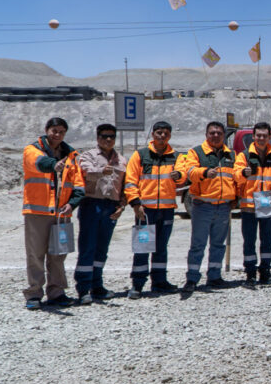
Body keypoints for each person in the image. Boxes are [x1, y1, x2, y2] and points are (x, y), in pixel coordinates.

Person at [22, 117, 84, 309]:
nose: (57, 135)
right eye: (54, 131)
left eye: (61, 132)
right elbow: (39, 163)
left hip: (62, 213)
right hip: (37, 212)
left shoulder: (71, 155)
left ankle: (57, 292)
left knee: (58, 254)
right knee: (36, 254)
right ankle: (34, 293)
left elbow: (78, 185)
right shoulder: (32, 150)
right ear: (46, 130)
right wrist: (54, 165)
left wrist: (72, 205)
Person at [124, 121, 183, 298]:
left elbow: (183, 176)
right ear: (153, 134)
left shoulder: (176, 156)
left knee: (161, 247)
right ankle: (137, 284)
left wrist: (179, 176)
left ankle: (159, 281)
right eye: (159, 132)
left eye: (166, 133)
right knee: (142, 247)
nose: (162, 136)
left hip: (167, 209)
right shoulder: (140, 155)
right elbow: (130, 181)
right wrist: (135, 204)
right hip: (145, 211)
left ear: (170, 135)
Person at [177, 121, 237, 292]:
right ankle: (192, 278)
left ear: (224, 135)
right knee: (198, 244)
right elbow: (189, 172)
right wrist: (204, 172)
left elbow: (236, 178)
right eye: (212, 133)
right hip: (203, 206)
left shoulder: (231, 154)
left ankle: (214, 277)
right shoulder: (196, 152)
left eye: (219, 133)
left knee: (218, 245)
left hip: (223, 207)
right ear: (206, 135)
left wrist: (236, 197)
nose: (216, 135)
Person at [74, 123, 128, 304]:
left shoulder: (121, 160)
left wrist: (122, 205)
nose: (108, 139)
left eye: (112, 136)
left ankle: (97, 285)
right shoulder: (88, 156)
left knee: (102, 248)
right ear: (98, 138)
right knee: (87, 246)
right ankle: (83, 288)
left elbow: (125, 184)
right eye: (104, 136)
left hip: (111, 206)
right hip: (92, 204)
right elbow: (85, 172)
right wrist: (101, 171)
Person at [234, 122, 271, 284]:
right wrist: (243, 173)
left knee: (267, 241)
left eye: (264, 136)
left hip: (267, 203)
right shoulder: (244, 156)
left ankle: (265, 271)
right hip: (249, 206)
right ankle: (250, 273)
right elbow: (236, 176)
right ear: (253, 136)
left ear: (269, 137)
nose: (261, 138)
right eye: (258, 135)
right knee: (249, 241)